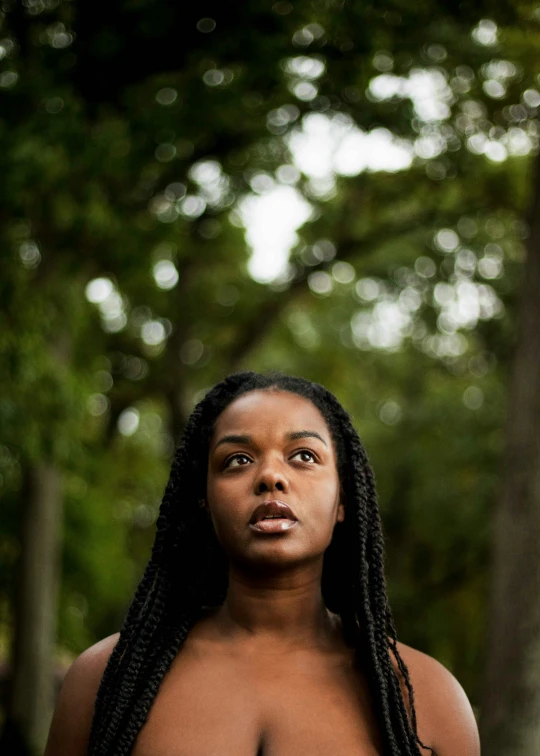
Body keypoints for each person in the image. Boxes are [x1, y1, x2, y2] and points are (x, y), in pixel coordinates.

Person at [45, 371, 480, 756]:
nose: (271, 476)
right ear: (205, 500)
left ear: (344, 498)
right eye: (238, 460)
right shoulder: (106, 680)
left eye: (304, 456)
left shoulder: (427, 698)